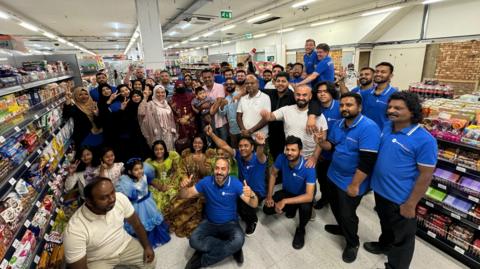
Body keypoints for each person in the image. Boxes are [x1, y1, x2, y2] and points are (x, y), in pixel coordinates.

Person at [365, 92, 437, 269]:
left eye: (398, 108)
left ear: (412, 111)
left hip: (401, 198)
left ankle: (396, 266)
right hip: (380, 191)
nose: (391, 110)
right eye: (390, 107)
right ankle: (384, 245)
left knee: (403, 238)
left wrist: (411, 204)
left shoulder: (425, 140)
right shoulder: (387, 127)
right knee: (386, 225)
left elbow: (426, 175)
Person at [314, 92, 381, 263]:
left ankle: (352, 242)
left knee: (347, 214)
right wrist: (321, 142)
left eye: (349, 105)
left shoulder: (369, 127)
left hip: (351, 181)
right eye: (342, 105)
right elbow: (331, 146)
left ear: (359, 107)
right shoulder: (339, 124)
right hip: (333, 175)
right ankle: (343, 229)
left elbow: (367, 161)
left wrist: (355, 185)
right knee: (336, 208)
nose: (344, 108)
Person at [180, 158, 258, 269]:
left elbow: (254, 204)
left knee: (239, 240)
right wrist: (183, 188)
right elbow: (185, 195)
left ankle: (202, 260)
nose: (219, 171)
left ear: (228, 170)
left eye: (223, 169)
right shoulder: (206, 182)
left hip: (230, 223)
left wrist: (252, 195)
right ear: (213, 169)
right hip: (209, 222)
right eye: (217, 168)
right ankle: (232, 248)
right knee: (194, 241)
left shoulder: (235, 183)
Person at [64, 177, 156, 269]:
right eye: (104, 197)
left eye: (112, 192)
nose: (112, 199)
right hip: (98, 260)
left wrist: (147, 246)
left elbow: (137, 224)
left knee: (150, 262)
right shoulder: (74, 230)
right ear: (89, 202)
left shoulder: (120, 198)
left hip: (124, 244)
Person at [205, 125, 267, 236]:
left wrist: (261, 144)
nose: (242, 148)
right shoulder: (238, 155)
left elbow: (260, 153)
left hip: (257, 192)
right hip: (243, 188)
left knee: (243, 202)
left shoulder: (258, 158)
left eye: (246, 146)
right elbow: (223, 145)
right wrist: (211, 134)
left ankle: (252, 220)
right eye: (240, 146)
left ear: (252, 147)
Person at [263, 136, 316, 250]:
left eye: (293, 150)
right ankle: (292, 208)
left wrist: (284, 201)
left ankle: (301, 230)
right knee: (267, 209)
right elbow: (273, 174)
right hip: (288, 192)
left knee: (306, 208)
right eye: (287, 149)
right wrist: (269, 196)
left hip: (303, 196)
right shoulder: (282, 158)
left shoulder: (309, 167)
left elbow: (309, 196)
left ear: (300, 151)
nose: (289, 153)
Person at [261, 84, 328, 166]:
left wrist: (314, 157)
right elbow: (271, 116)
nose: (301, 98)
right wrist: (267, 116)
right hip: (289, 155)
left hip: (308, 159)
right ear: (294, 95)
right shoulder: (286, 110)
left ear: (310, 96)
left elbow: (321, 140)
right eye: (298, 94)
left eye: (304, 95)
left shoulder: (318, 116)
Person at [163, 136, 214, 237]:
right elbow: (181, 170)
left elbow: (208, 174)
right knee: (177, 203)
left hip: (202, 186)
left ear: (204, 144)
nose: (197, 145)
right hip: (188, 185)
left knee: (194, 207)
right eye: (195, 142)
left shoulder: (207, 158)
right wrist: (185, 178)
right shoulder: (187, 156)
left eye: (200, 143)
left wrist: (201, 163)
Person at [116, 158, 171, 247]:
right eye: (136, 170)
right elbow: (134, 194)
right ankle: (146, 239)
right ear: (130, 172)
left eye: (140, 168)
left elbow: (147, 185)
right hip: (138, 205)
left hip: (148, 202)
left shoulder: (145, 176)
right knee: (142, 222)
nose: (139, 171)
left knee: (153, 218)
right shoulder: (129, 184)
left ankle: (157, 235)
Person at [311, 81, 341, 210]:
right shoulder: (315, 108)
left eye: (325, 91)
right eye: (319, 92)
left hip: (338, 151)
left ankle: (337, 202)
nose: (322, 94)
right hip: (321, 149)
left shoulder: (340, 107)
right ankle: (325, 198)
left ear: (331, 92)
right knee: (322, 179)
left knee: (336, 182)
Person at [262, 72, 296, 162]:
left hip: (286, 134)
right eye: (278, 81)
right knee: (275, 156)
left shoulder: (293, 96)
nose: (280, 83)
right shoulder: (270, 93)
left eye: (283, 81)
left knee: (286, 158)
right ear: (274, 83)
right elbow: (256, 89)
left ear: (288, 83)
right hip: (272, 134)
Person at [114, 90, 151, 162]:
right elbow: (121, 121)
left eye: (138, 96)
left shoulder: (146, 105)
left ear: (141, 96)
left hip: (146, 133)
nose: (136, 98)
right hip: (133, 135)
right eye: (134, 96)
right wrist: (122, 109)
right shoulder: (128, 107)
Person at [145, 140, 181, 213]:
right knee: (156, 201)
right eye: (156, 149)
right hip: (156, 184)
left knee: (174, 195)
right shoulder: (149, 162)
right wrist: (160, 186)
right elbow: (148, 178)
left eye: (161, 149)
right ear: (153, 150)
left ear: (165, 149)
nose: (159, 151)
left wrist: (171, 183)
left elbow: (177, 170)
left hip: (171, 181)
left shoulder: (171, 157)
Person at [360, 62, 398, 130]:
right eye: (377, 71)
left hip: (382, 135)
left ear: (391, 75)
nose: (378, 74)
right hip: (364, 132)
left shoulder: (395, 95)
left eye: (383, 72)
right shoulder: (365, 93)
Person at [138, 85, 177, 150]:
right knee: (159, 151)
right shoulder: (151, 104)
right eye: (158, 92)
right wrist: (145, 98)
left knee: (168, 150)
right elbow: (141, 113)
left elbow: (171, 118)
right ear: (154, 93)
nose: (160, 94)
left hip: (168, 133)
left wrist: (173, 128)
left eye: (162, 92)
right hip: (156, 133)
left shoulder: (166, 104)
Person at [202, 69, 228, 141]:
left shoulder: (219, 87)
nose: (207, 79)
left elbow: (219, 101)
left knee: (223, 143)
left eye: (209, 77)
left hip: (221, 122)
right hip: (208, 123)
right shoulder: (202, 89)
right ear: (202, 78)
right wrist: (215, 103)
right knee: (211, 144)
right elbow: (201, 106)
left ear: (213, 77)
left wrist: (211, 110)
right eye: (205, 78)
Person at [218, 78, 243, 147]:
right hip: (232, 129)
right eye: (227, 84)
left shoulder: (240, 96)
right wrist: (222, 105)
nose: (229, 86)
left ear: (235, 85)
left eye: (231, 84)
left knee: (243, 147)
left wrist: (240, 95)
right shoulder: (226, 99)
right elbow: (222, 114)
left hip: (242, 128)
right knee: (234, 147)